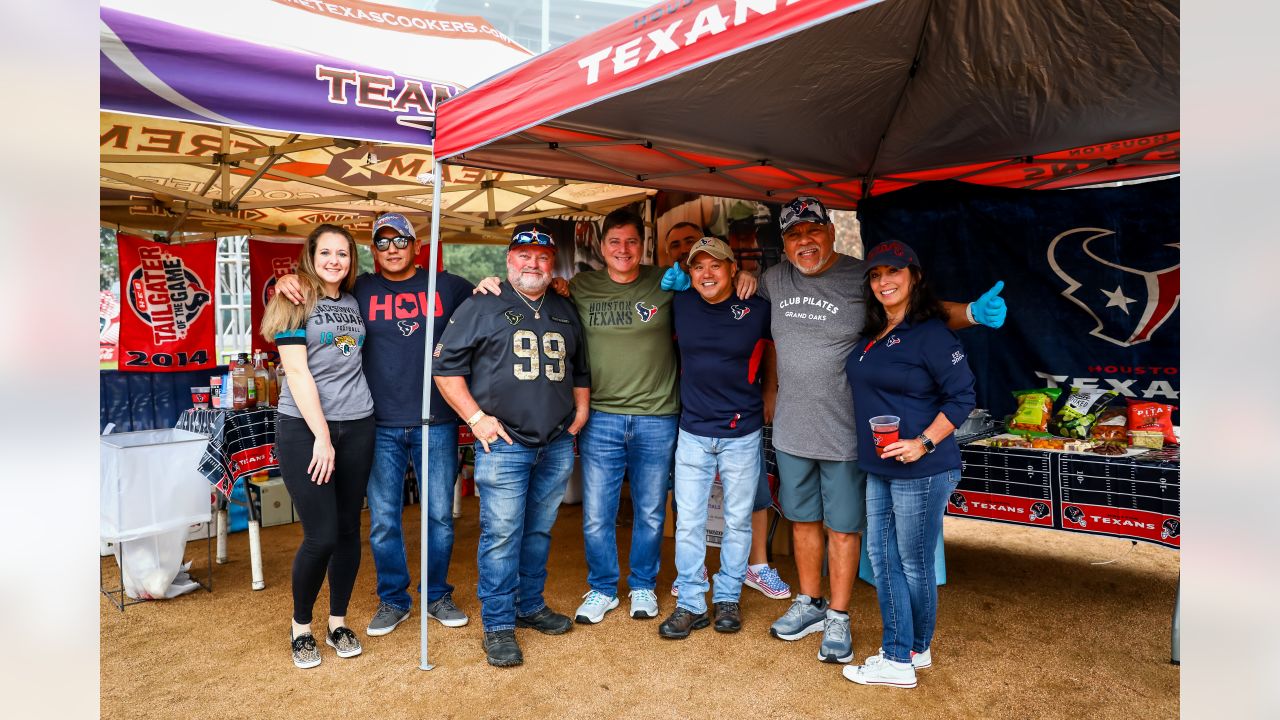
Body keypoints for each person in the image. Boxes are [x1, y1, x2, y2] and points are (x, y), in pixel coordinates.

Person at [754, 196, 1004, 665]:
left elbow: (918, 310)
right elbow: (750, 316)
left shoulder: (860, 275)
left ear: (829, 230)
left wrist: (970, 312)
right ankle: (809, 603)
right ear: (783, 244)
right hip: (792, 427)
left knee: (844, 528)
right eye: (793, 235)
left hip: (848, 433)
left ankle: (840, 616)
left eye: (812, 230)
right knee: (803, 521)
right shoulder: (772, 279)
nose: (804, 241)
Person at [275, 213, 474, 637]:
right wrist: (284, 283)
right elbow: (309, 300)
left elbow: (492, 305)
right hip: (377, 423)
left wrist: (497, 283)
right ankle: (394, 599)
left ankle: (436, 593)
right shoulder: (359, 289)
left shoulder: (451, 286)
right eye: (381, 243)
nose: (392, 249)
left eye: (399, 240)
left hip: (434, 420)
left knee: (438, 516)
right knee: (383, 518)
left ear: (416, 245)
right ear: (372, 252)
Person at [433, 223, 591, 667]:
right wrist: (476, 417)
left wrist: (580, 411)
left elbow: (580, 367)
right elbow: (445, 368)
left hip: (556, 441)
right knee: (502, 535)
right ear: (509, 260)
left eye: (542, 256)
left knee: (539, 530)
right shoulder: (482, 303)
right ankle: (498, 625)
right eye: (524, 255)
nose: (533, 263)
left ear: (552, 262)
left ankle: (529, 605)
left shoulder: (563, 303)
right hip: (503, 444)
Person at [841, 241, 976, 689]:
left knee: (913, 563)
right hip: (880, 465)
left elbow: (963, 397)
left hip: (922, 468)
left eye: (894, 272)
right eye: (877, 274)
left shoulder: (932, 333)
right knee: (882, 559)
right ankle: (916, 649)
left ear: (913, 276)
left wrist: (922, 442)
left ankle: (898, 658)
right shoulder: (876, 331)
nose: (884, 281)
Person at [260, 224, 375, 670]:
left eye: (342, 253)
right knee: (321, 535)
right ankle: (301, 627)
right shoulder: (293, 298)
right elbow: (298, 373)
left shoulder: (354, 299)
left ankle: (338, 621)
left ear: (351, 260)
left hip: (359, 424)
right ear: (310, 256)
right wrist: (322, 438)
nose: (334, 260)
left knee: (348, 531)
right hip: (306, 430)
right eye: (325, 252)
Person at [659, 237, 776, 639]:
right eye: (699, 267)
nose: (707, 274)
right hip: (692, 431)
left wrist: (770, 397)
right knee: (689, 522)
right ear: (689, 273)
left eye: (716, 266)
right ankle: (691, 602)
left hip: (741, 431)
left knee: (737, 522)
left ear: (731, 269)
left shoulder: (758, 309)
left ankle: (728, 596)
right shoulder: (680, 305)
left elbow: (776, 355)